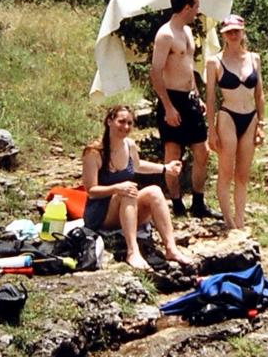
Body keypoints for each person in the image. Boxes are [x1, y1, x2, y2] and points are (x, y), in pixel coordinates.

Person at [82, 105, 192, 270]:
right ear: (109, 121)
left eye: (129, 123)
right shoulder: (94, 152)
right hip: (100, 214)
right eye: (121, 122)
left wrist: (166, 168)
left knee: (154, 191)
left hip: (124, 205)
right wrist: (117, 188)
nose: (125, 127)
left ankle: (171, 248)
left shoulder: (130, 145)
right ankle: (132, 252)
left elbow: (138, 166)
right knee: (128, 192)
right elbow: (91, 190)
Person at [150, 0, 220, 219]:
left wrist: (196, 94)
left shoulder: (187, 31)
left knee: (202, 151)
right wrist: (168, 107)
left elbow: (188, 67)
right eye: (196, 6)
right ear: (187, 7)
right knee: (173, 153)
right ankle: (177, 204)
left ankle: (198, 202)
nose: (198, 11)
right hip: (171, 98)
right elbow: (155, 71)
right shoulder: (165, 34)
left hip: (189, 97)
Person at [204, 14, 266, 229]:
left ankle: (240, 220)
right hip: (227, 116)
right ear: (223, 35)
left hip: (250, 117)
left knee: (242, 174)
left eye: (236, 31)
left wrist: (261, 124)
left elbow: (259, 94)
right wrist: (211, 130)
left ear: (242, 32)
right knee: (226, 172)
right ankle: (228, 221)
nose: (233, 35)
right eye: (229, 32)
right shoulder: (214, 61)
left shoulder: (254, 58)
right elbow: (210, 98)